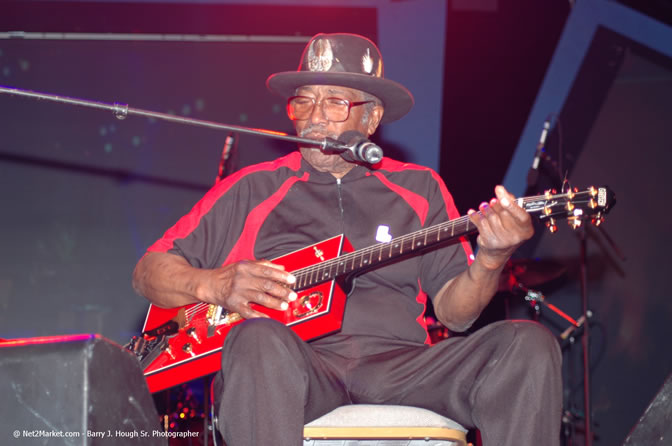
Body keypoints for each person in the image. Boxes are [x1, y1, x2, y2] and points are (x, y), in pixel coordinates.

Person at [133, 33, 562, 445]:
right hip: (297, 367)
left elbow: (456, 313)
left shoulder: (419, 187)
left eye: (334, 102)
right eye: (304, 101)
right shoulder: (253, 188)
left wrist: (491, 259)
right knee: (255, 338)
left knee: (528, 345)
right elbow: (149, 271)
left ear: (371, 118)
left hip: (403, 366)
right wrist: (215, 284)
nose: (314, 116)